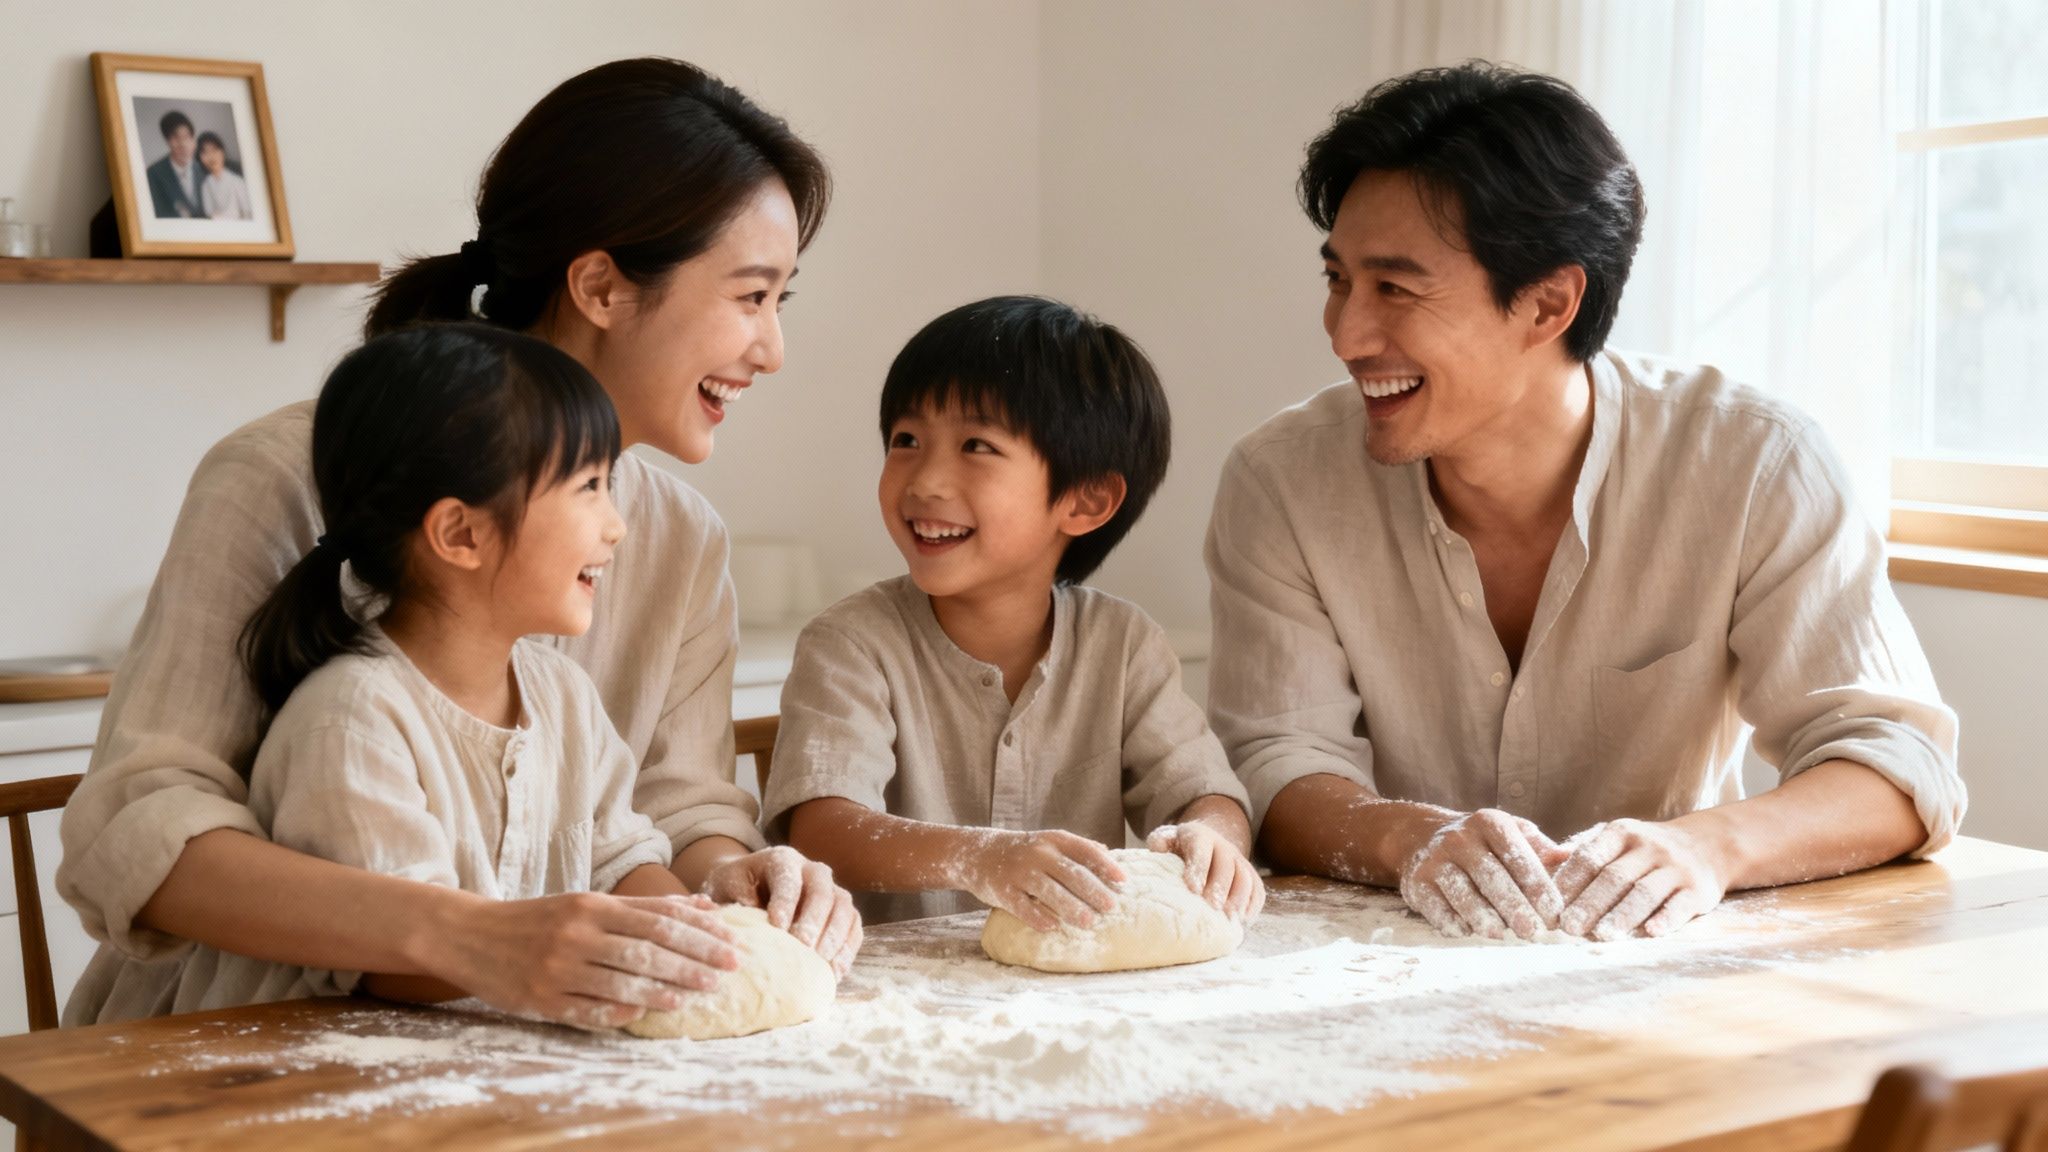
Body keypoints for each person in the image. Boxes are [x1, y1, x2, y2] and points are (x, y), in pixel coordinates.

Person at [60, 58, 860, 1031]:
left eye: (781, 302)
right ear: (602, 286)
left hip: (524, 1045)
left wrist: (732, 883)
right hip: (227, 1055)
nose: (771, 349)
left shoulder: (682, 537)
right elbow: (136, 829)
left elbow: (668, 814)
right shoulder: (280, 474)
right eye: (750, 296)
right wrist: (469, 936)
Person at [1205, 62, 1964, 942]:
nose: (1345, 334)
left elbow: (1897, 765)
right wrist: (1414, 839)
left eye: (1395, 289)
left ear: (1548, 302)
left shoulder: (1755, 462)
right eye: (1338, 280)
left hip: (1667, 964)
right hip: (1367, 958)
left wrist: (1707, 849)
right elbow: (1274, 760)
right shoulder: (1282, 479)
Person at [86, 324, 749, 1020]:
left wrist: (713, 943)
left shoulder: (562, 695)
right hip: (301, 1080)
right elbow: (392, 969)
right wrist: (565, 952)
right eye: (589, 487)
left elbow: (617, 857)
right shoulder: (354, 718)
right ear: (460, 534)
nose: (616, 526)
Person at [764, 296, 1264, 928]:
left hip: (1068, 995)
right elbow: (824, 830)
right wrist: (981, 857)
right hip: (901, 992)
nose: (925, 482)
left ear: (1084, 501)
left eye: (976, 445)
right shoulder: (853, 642)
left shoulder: (1124, 644)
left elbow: (1202, 792)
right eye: (907, 440)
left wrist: (1213, 838)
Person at [144, 110, 206, 219]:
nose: (183, 144)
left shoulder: (204, 169)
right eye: (176, 138)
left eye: (187, 137)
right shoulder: (153, 174)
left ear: (193, 140)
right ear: (167, 141)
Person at [196, 132, 252, 221]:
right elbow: (209, 214)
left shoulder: (237, 181)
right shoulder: (205, 185)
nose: (211, 157)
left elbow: (248, 213)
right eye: (205, 152)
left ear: (222, 152)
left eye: (214, 150)